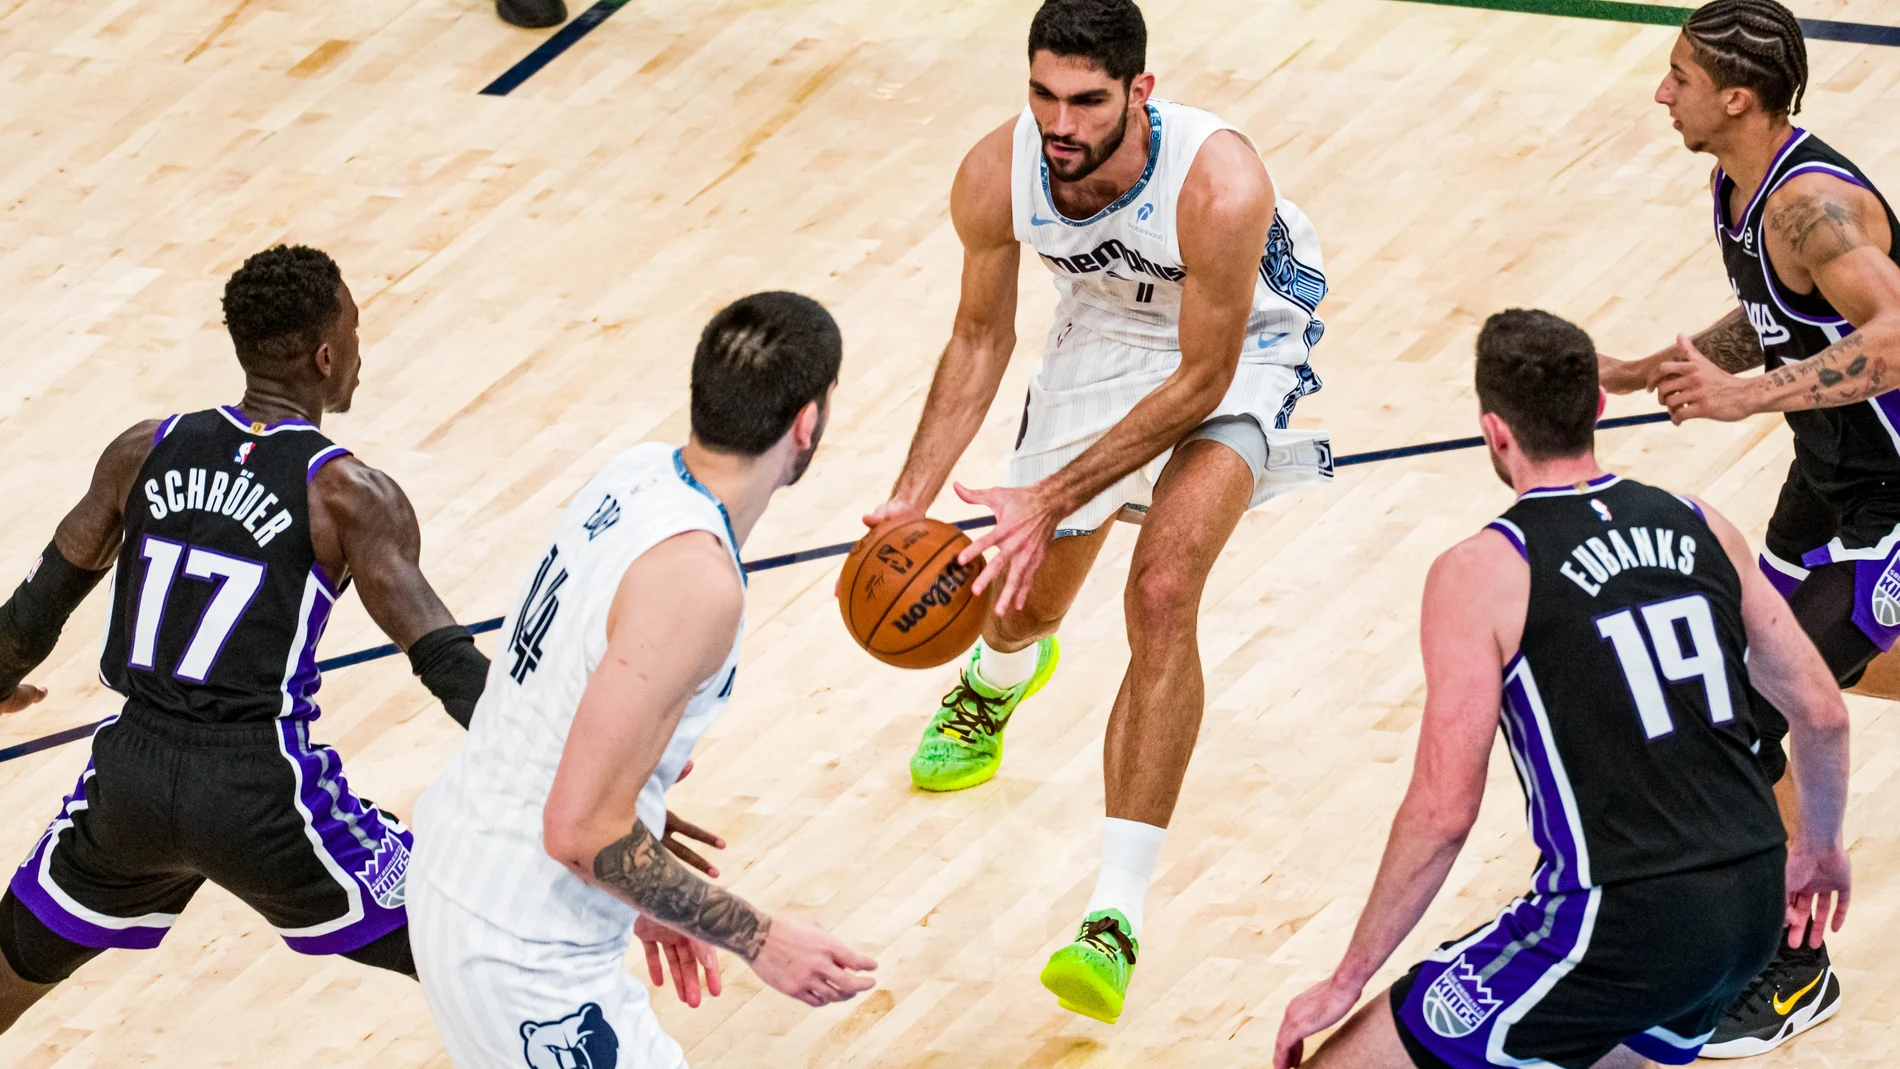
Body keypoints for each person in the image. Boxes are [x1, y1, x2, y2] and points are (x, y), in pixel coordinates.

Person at [861, 0, 1332, 1024]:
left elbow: (1203, 377)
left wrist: (1052, 494)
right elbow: (979, 337)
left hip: (1240, 343)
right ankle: (1002, 672)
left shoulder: (1217, 182)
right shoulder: (998, 172)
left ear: (1139, 94)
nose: (1059, 122)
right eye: (1041, 94)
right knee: (1017, 609)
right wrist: (908, 497)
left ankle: (1112, 915)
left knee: (1162, 588)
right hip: (1104, 336)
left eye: (1085, 100)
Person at [1274, 309, 1851, 1069]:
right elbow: (1821, 711)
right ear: (1599, 409)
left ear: (1495, 431)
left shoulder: (1482, 572)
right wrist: (1818, 847)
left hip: (1617, 921)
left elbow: (1444, 811)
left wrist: (1346, 978)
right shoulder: (1701, 522)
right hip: (1748, 910)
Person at [0, 245, 490, 1031]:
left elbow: (33, 613)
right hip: (260, 789)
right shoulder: (348, 492)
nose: (360, 350)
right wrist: (575, 769)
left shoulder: (144, 448)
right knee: (485, 947)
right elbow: (444, 659)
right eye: (356, 331)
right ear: (328, 356)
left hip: (129, 776)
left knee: (7, 973)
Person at [409, 292, 877, 1068]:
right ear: (807, 422)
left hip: (461, 872)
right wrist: (757, 937)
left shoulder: (634, 473)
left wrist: (642, 873)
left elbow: (560, 696)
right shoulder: (697, 580)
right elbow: (580, 830)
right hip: (525, 953)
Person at [1594, 0, 1900, 1051]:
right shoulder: (1736, 184)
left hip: (1892, 500)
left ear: (1735, 95)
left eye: (1677, 74)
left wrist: (1748, 398)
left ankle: (1794, 968)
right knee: (1770, 670)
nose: (1659, 90)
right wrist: (1649, 368)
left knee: (1763, 706)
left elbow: (1896, 334)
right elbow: (1780, 315)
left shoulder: (1811, 201)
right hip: (1828, 481)